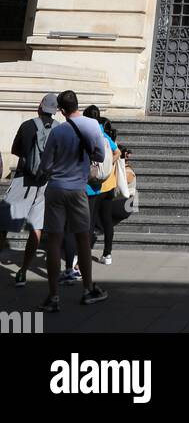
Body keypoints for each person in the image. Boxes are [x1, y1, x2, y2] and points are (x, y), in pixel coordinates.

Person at [39, 90, 108, 311]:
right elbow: (100, 156)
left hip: (56, 189)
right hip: (78, 189)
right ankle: (88, 290)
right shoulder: (92, 125)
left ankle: (53, 297)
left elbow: (45, 165)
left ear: (61, 110)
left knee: (53, 241)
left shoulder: (58, 132)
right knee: (83, 241)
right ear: (78, 104)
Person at [7, 94, 58, 285]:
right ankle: (23, 270)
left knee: (5, 220)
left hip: (23, 179)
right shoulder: (59, 129)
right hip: (45, 182)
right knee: (36, 227)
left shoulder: (27, 125)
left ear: (40, 106)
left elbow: (15, 150)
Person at [83, 106, 120, 265]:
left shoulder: (87, 133)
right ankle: (107, 254)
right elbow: (117, 151)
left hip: (93, 186)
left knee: (89, 221)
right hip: (108, 185)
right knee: (107, 220)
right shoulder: (104, 133)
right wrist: (107, 166)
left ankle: (84, 255)